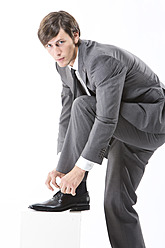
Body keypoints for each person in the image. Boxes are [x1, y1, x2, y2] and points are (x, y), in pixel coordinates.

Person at [29, 10, 165, 248]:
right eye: (49, 46)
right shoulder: (62, 65)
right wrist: (62, 163)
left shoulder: (101, 60)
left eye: (60, 42)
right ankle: (75, 193)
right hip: (124, 130)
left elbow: (104, 118)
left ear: (75, 35)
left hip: (150, 124)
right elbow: (66, 112)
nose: (55, 51)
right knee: (116, 202)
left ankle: (73, 192)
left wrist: (76, 170)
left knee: (85, 106)